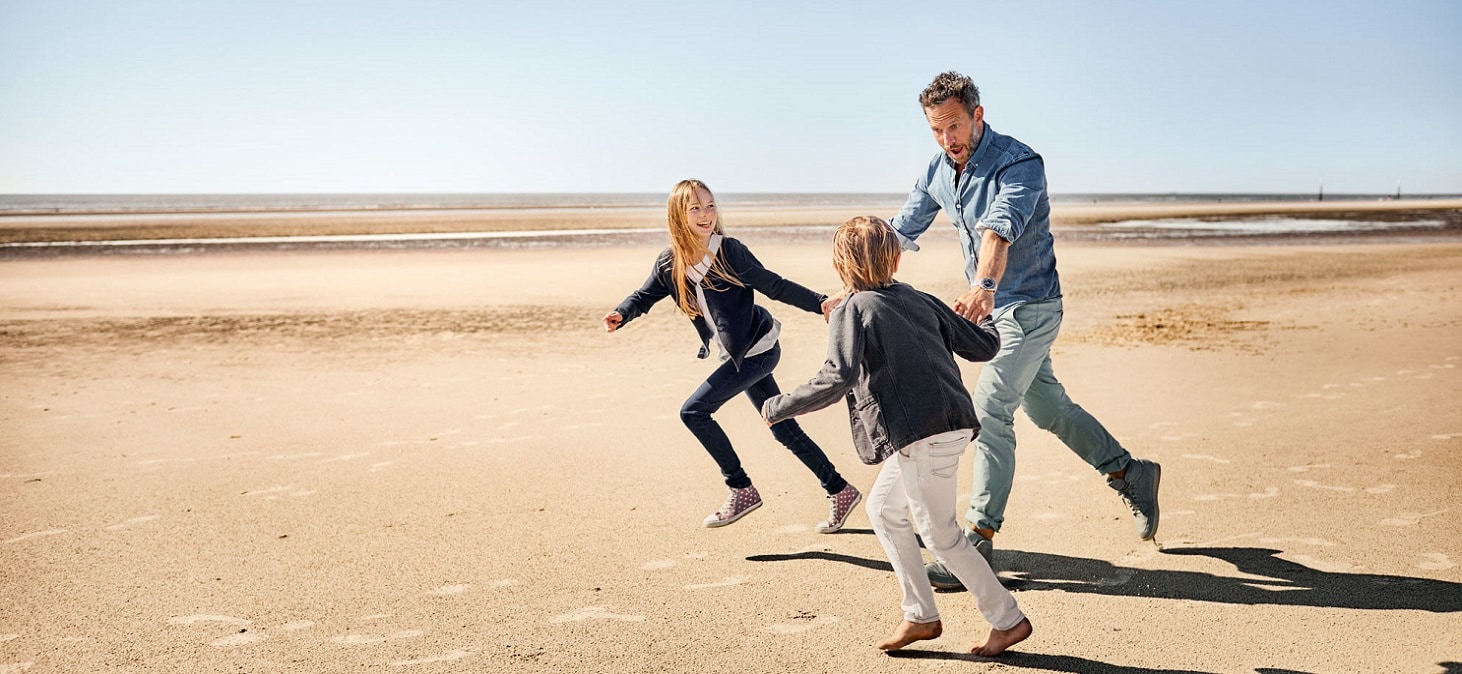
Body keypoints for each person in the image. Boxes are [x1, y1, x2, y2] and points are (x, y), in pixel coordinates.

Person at [888, 71, 1162, 588]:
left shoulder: (1019, 163)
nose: (947, 139)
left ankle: (977, 540)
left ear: (977, 115)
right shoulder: (937, 170)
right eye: (936, 129)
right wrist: (856, 278)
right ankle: (1130, 473)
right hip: (993, 313)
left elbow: (999, 230)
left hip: (1031, 308)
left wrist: (984, 285)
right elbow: (899, 230)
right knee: (1048, 408)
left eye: (954, 125)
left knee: (990, 409)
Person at [762, 216, 1032, 656]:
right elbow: (984, 347)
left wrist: (778, 406)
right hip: (948, 426)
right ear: (896, 260)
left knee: (942, 536)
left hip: (923, 435)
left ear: (839, 265)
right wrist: (986, 320)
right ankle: (920, 615)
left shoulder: (851, 309)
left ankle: (1007, 620)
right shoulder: (920, 298)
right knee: (884, 510)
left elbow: (837, 377)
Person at [604, 179, 861, 531]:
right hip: (735, 355)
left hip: (758, 350)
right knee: (781, 425)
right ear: (678, 214)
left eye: (710, 206)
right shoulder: (670, 262)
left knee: (694, 412)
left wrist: (820, 303)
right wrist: (622, 313)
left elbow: (773, 285)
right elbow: (643, 295)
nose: (705, 214)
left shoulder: (729, 251)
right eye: (695, 208)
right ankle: (839, 489)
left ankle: (740, 488)